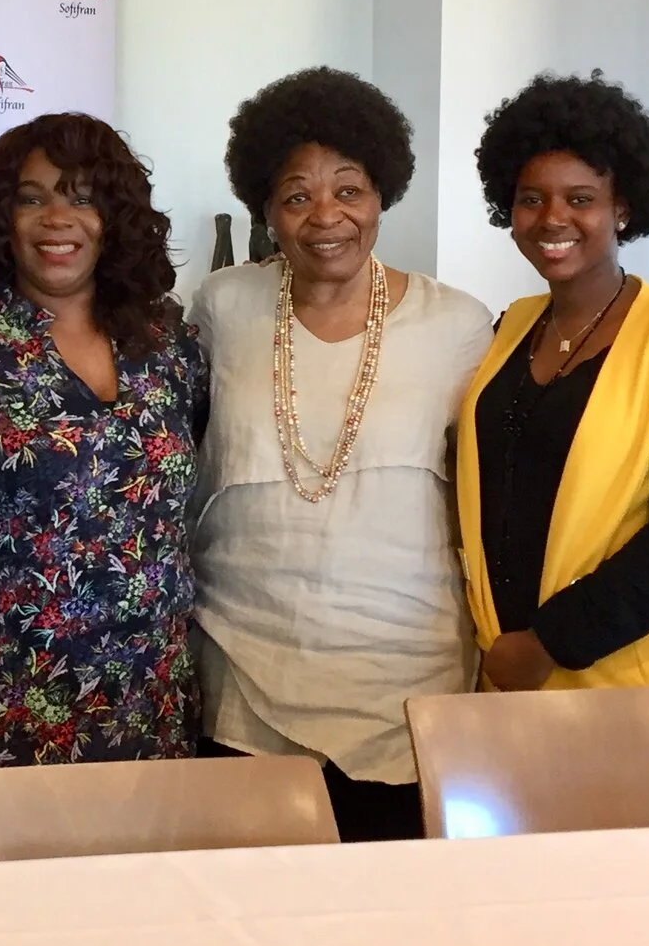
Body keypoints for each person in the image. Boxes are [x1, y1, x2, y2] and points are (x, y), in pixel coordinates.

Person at [191, 69, 493, 841]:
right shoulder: (224, 305)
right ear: (266, 208)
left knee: (389, 905)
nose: (326, 216)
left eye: (349, 190)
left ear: (383, 193)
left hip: (405, 688)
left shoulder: (459, 324)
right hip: (245, 675)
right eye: (297, 195)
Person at [0, 112, 208, 767]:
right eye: (32, 199)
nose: (57, 219)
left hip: (154, 706)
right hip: (9, 714)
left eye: (82, 198)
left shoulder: (168, 348)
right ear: (2, 220)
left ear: (114, 219)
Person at [456, 73, 649, 690]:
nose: (552, 218)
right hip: (510, 682)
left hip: (640, 687)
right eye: (531, 199)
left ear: (623, 208)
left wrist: (550, 642)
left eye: (580, 198)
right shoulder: (509, 328)